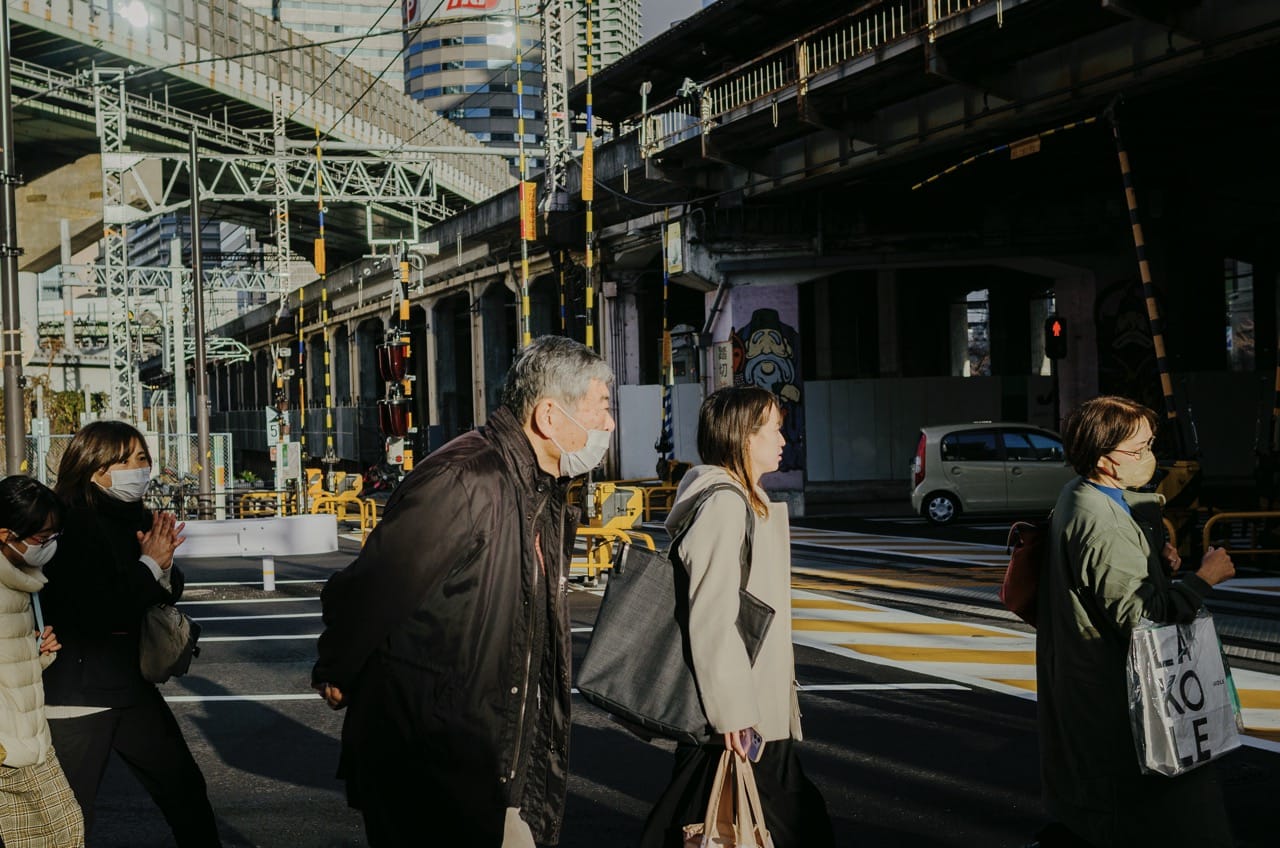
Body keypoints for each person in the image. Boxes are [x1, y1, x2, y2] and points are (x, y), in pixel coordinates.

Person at [312, 335, 615, 847]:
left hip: (490, 756)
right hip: (433, 758)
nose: (609, 425)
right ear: (548, 416)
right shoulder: (465, 481)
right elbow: (373, 586)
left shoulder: (540, 488)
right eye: (602, 408)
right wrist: (336, 668)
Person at [1034, 395, 1236, 847]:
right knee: (1147, 810)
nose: (1150, 458)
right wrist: (1206, 578)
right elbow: (1144, 618)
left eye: (1150, 444)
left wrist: (1153, 558)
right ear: (1105, 460)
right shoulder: (1100, 518)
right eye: (1139, 449)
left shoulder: (1082, 494)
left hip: (1095, 679)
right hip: (1118, 690)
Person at [641, 386, 833, 848]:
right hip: (742, 716)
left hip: (749, 709)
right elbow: (711, 616)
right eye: (773, 429)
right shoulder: (725, 505)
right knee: (788, 824)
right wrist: (734, 714)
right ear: (744, 438)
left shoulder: (741, 499)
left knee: (699, 820)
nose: (783, 439)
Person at [41, 421, 221, 846]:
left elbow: (166, 589)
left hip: (129, 684)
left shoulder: (137, 516)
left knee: (185, 791)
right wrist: (149, 565)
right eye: (124, 460)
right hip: (76, 691)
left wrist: (161, 565)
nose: (138, 468)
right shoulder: (70, 523)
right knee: (67, 818)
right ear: (92, 467)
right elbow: (93, 611)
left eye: (142, 458)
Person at [0, 475, 84, 847]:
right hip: (13, 745)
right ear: (5, 535)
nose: (48, 546)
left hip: (28, 735)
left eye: (53, 537)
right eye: (40, 538)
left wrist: (37, 654)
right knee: (61, 834)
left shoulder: (20, 579)